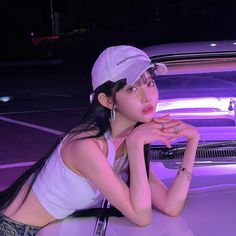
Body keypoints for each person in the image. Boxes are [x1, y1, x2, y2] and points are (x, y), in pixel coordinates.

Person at [0, 45, 200, 235]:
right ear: (107, 100)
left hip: (48, 229)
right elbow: (142, 216)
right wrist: (136, 144)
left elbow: (170, 206)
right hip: (14, 230)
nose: (147, 97)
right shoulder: (85, 145)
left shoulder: (126, 139)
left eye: (150, 83)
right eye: (132, 89)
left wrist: (193, 141)